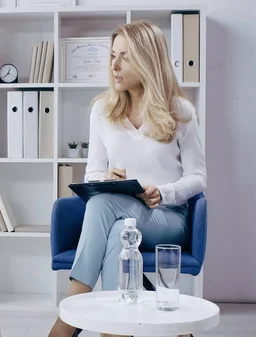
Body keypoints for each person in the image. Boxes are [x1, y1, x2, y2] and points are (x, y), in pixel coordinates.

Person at [48, 20, 206, 337]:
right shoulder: (103, 111)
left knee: (106, 208)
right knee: (120, 230)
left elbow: (198, 178)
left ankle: (69, 319)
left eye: (125, 57)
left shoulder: (180, 111)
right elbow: (92, 174)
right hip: (123, 218)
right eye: (112, 55)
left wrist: (164, 192)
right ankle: (115, 332)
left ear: (148, 60)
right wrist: (105, 178)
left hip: (168, 217)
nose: (114, 65)